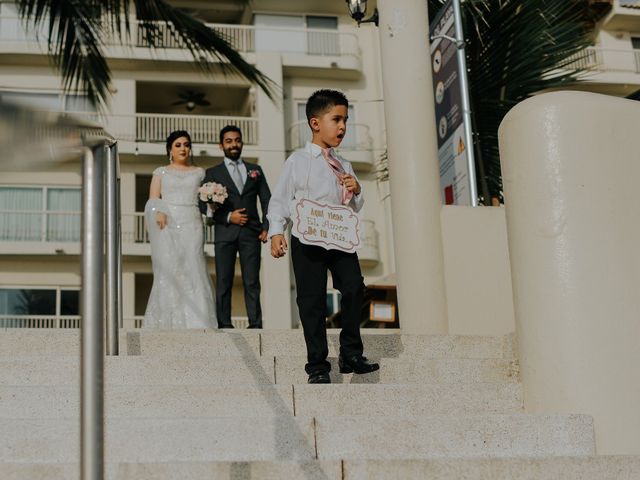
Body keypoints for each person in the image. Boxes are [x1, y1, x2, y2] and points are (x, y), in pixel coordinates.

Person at [267, 89, 379, 384]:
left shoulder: (344, 164)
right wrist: (277, 231)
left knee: (354, 287)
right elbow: (280, 199)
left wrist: (356, 189)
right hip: (308, 238)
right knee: (311, 299)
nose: (343, 127)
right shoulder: (298, 161)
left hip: (339, 238)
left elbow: (354, 205)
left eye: (346, 120)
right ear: (316, 123)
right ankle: (317, 365)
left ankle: (351, 352)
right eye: (337, 119)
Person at [143, 130, 217, 329]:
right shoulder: (161, 172)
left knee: (194, 265)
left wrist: (212, 201)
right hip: (168, 223)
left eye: (186, 144)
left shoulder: (199, 173)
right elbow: (153, 199)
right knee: (171, 267)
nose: (183, 148)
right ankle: (169, 320)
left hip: (192, 222)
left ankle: (198, 321)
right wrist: (159, 211)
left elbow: (204, 200)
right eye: (178, 145)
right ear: (170, 150)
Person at [200, 126, 271, 329]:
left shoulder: (255, 170)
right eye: (229, 141)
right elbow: (202, 205)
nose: (234, 144)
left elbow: (267, 200)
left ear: (241, 143)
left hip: (252, 233)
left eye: (237, 140)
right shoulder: (212, 173)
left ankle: (255, 324)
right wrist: (229, 216)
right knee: (224, 281)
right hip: (225, 233)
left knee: (252, 281)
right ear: (221, 145)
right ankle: (224, 324)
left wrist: (267, 226)